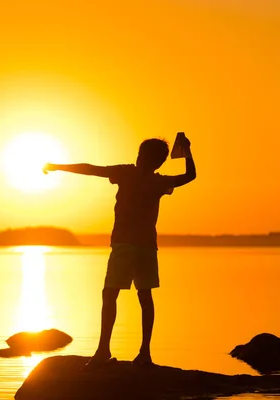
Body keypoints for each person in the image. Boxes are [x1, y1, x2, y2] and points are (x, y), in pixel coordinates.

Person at [43, 135, 196, 367]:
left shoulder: (133, 175)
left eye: (142, 156)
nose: (139, 159)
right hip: (139, 246)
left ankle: (123, 351)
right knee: (134, 296)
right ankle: (130, 352)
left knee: (119, 294)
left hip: (130, 246)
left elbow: (91, 170)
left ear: (146, 158)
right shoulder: (153, 180)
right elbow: (190, 176)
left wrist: (57, 167)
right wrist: (187, 152)